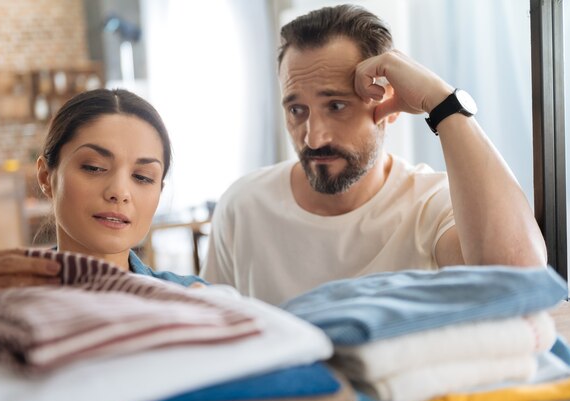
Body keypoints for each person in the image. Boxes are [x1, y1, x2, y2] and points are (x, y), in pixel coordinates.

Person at [200, 4, 547, 305]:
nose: (314, 136)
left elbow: (520, 281)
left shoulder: (433, 205)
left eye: (336, 105)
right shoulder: (243, 206)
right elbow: (209, 336)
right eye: (297, 111)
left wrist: (441, 103)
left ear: (389, 104)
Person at [0, 89, 206, 305]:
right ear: (46, 177)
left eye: (143, 177)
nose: (120, 192)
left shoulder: (192, 299)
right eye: (94, 167)